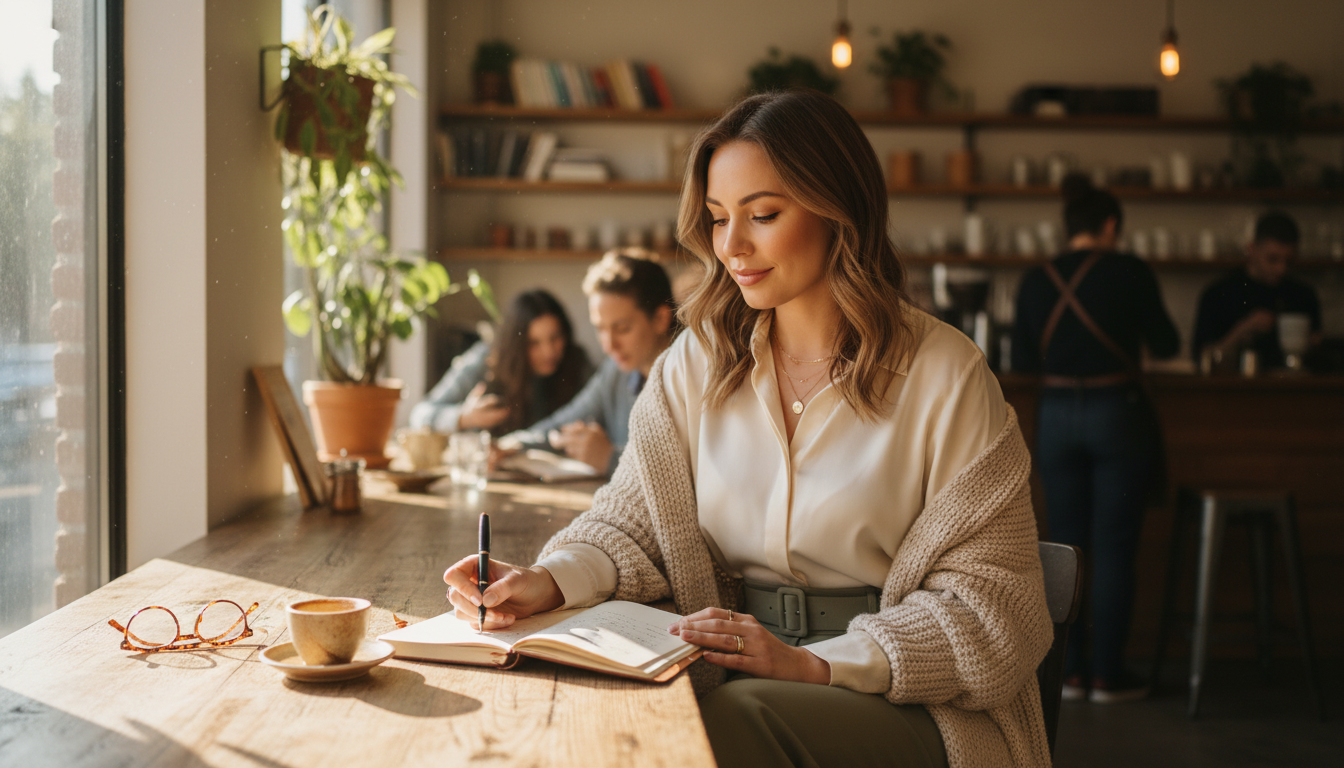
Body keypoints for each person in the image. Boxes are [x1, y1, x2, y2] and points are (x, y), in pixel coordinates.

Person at [445, 90, 1055, 768]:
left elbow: (997, 610)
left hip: (904, 698)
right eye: (716, 218)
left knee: (726, 725)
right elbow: (632, 521)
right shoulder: (695, 362)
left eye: (763, 215)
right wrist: (548, 579)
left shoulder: (948, 376)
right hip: (723, 670)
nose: (731, 247)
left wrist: (814, 665)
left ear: (837, 210)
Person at [1012, 175, 1179, 704]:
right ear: (1111, 226)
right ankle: (1107, 674)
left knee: (1066, 547)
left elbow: (1019, 361)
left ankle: (1068, 674)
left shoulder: (1036, 279)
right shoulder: (1130, 271)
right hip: (1116, 413)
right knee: (1113, 548)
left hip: (1056, 414)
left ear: (1069, 227)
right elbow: (1169, 343)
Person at [500, 249, 675, 474]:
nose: (609, 345)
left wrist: (611, 458)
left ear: (661, 319)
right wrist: (509, 445)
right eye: (600, 329)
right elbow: (563, 423)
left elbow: (691, 473)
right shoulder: (616, 370)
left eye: (622, 329)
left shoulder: (692, 376)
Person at [409, 289, 593, 435]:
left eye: (555, 338)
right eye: (533, 343)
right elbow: (420, 415)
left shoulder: (577, 363)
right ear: (515, 343)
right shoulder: (486, 361)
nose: (549, 351)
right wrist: (464, 417)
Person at [1192, 210, 1322, 370]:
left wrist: (1313, 345)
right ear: (1252, 249)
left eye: (1289, 261)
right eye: (1272, 259)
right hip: (1233, 390)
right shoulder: (1219, 293)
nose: (1281, 269)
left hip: (1293, 388)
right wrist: (1242, 330)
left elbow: (1320, 359)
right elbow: (1201, 359)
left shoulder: (1304, 295)